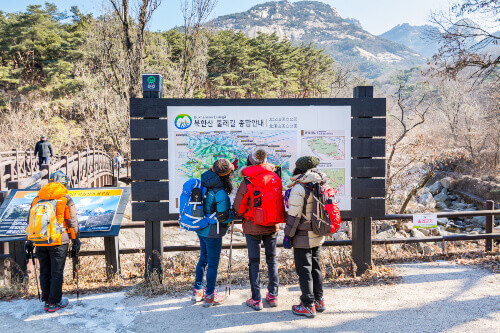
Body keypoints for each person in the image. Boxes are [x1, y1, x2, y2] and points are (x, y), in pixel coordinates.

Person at [233, 149, 284, 311]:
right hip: (272, 225)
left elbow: (239, 209)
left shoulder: (248, 182)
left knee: (254, 262)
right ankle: (273, 295)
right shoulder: (276, 178)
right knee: (272, 260)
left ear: (250, 164)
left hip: (252, 226)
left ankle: (256, 299)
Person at [25, 171, 81, 312]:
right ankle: (55, 302)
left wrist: (29, 241)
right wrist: (75, 240)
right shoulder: (65, 198)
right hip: (58, 241)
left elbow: (30, 222)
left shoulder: (37, 199)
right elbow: (72, 222)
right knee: (57, 271)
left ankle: (47, 301)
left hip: (40, 240)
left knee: (44, 270)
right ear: (65, 183)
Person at [284, 156, 328, 318]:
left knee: (304, 270)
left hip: (303, 235)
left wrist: (288, 235)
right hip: (318, 232)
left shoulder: (300, 187)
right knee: (316, 267)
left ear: (299, 169)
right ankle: (319, 300)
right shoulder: (320, 183)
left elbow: (294, 216)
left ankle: (308, 305)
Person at [192, 159, 235, 307]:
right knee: (213, 264)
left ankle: (198, 291)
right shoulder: (220, 192)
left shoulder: (204, 182)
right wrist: (234, 215)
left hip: (201, 228)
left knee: (203, 258)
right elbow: (223, 216)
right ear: (226, 175)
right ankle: (210, 295)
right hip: (213, 231)